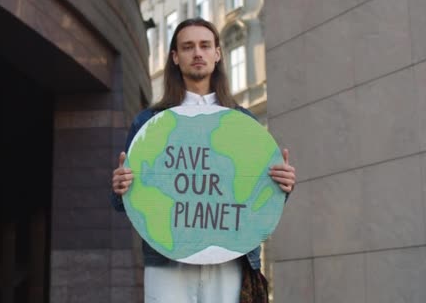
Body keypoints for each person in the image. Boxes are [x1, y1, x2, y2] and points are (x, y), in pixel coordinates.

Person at [110, 18, 296, 303]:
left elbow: (254, 197)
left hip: (230, 260)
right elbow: (126, 203)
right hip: (167, 261)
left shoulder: (243, 123)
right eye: (188, 47)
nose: (197, 53)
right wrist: (121, 187)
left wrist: (281, 186)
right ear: (175, 57)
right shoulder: (149, 123)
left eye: (205, 45)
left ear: (217, 54)